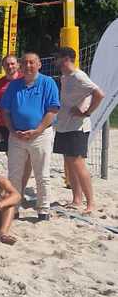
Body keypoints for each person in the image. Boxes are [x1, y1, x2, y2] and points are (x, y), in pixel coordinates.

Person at [0, 51, 61, 221]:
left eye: (32, 62)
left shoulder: (48, 83)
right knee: (14, 175)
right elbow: (5, 111)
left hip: (40, 135)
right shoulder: (14, 85)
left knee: (42, 175)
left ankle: (43, 209)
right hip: (17, 136)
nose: (28, 65)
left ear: (39, 64)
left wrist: (38, 130)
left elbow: (52, 110)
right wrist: (12, 131)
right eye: (25, 62)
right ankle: (14, 208)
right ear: (20, 65)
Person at [54, 47, 104, 213]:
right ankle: (77, 199)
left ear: (66, 58)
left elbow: (99, 94)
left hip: (77, 127)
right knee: (69, 163)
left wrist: (87, 112)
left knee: (78, 163)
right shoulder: (65, 77)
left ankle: (91, 203)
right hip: (64, 125)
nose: (55, 60)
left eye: (57, 57)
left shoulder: (79, 76)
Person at [0, 55, 21, 154]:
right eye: (7, 64)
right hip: (4, 124)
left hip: (22, 124)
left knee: (25, 155)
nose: (10, 66)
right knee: (9, 154)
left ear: (18, 65)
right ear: (3, 66)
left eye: (12, 64)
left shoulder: (25, 80)